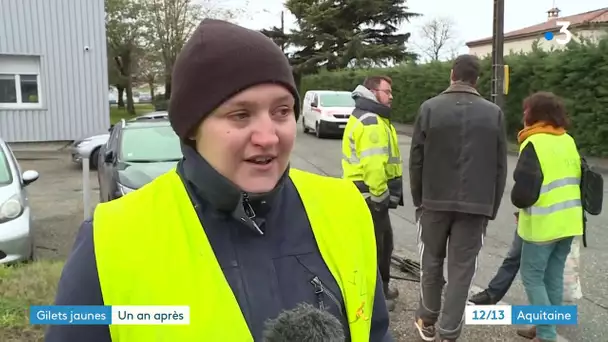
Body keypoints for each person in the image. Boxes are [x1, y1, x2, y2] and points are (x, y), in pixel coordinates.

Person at [45, 19, 392, 342]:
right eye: (240, 115)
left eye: (282, 111)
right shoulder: (110, 238)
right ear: (193, 128)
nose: (268, 136)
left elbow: (375, 330)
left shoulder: (344, 206)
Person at [408, 54, 508, 342]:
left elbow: (416, 159)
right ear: (477, 79)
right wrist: (491, 207)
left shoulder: (429, 108)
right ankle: (449, 331)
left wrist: (419, 199)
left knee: (431, 261)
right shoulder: (494, 113)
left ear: (452, 74)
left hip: (433, 201)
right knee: (462, 271)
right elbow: (500, 166)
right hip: (476, 205)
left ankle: (427, 316)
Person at [512, 91, 583, 342]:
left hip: (543, 224)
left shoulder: (533, 143)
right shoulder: (567, 139)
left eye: (526, 110)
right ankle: (545, 324)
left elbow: (523, 194)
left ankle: (546, 333)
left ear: (535, 114)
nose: (523, 115)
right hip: (569, 221)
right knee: (552, 276)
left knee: (532, 277)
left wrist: (516, 205)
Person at [341, 76, 403, 312]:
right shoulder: (371, 121)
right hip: (369, 195)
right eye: (387, 91)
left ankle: (382, 289)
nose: (391, 96)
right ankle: (377, 297)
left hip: (362, 194)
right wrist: (380, 197)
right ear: (372, 91)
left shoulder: (366, 115)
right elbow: (374, 165)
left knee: (383, 243)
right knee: (378, 246)